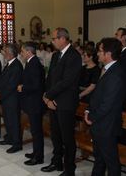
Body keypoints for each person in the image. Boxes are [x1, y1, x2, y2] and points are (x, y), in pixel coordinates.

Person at [42, 28, 82, 176]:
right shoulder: (55, 55)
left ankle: (69, 169)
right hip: (52, 101)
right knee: (55, 135)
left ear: (63, 38)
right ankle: (57, 161)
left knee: (67, 138)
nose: (52, 42)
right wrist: (47, 96)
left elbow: (67, 81)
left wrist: (49, 95)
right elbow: (50, 78)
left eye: (54, 39)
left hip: (65, 103)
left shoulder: (74, 56)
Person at [84, 38, 126, 176]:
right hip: (100, 124)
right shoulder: (107, 69)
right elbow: (97, 95)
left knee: (111, 163)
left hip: (107, 125)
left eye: (100, 51)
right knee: (99, 159)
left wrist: (91, 116)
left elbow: (107, 104)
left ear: (108, 54)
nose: (97, 54)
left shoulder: (116, 74)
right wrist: (88, 109)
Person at [18, 42, 45, 166]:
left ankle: (38, 157)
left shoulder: (34, 64)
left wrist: (22, 88)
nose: (21, 53)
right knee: (34, 130)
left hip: (35, 103)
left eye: (22, 51)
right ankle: (35, 152)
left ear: (29, 52)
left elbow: (36, 85)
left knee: (36, 131)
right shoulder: (30, 63)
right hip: (31, 102)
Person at [0, 44, 23, 154]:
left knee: (14, 121)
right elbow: (2, 79)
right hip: (6, 97)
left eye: (6, 52)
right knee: (7, 119)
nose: (4, 54)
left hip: (12, 98)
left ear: (11, 53)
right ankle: (10, 138)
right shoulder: (9, 64)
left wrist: (1, 94)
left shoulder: (17, 66)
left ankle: (17, 144)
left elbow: (12, 85)